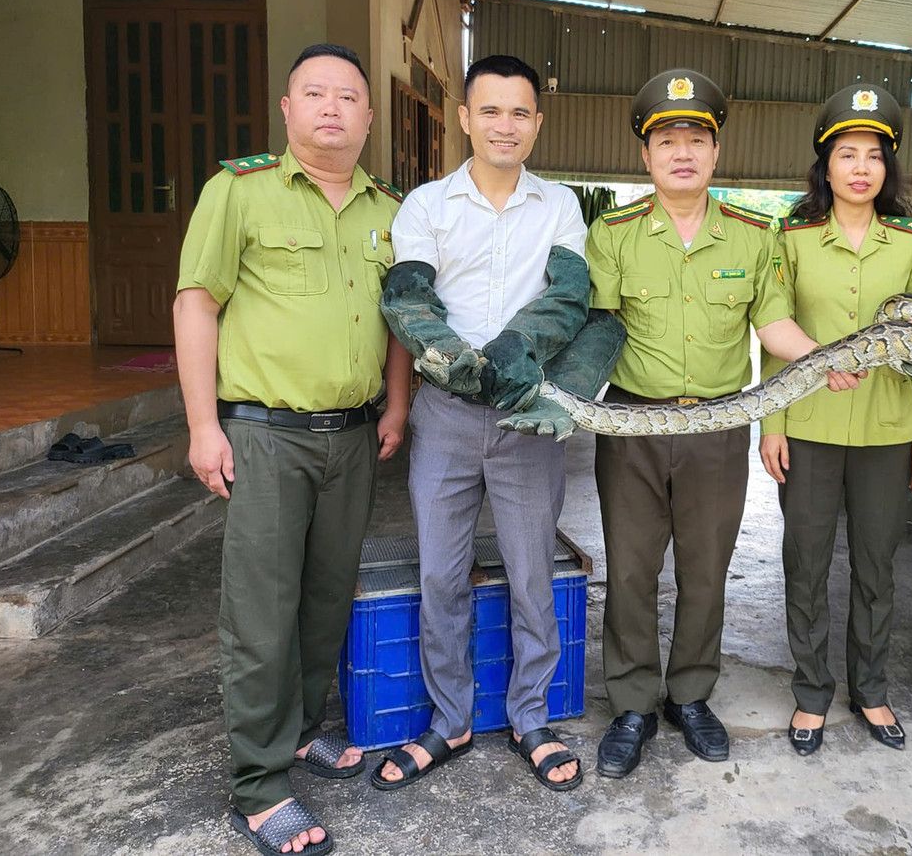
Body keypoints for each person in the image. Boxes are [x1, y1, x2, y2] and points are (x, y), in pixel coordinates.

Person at [586, 68, 860, 778]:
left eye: (697, 139)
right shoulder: (612, 234)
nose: (683, 151)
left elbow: (772, 324)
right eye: (667, 139)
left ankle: (691, 694)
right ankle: (634, 703)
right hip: (632, 425)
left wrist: (825, 358)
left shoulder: (751, 236)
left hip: (716, 425)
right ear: (645, 156)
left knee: (706, 571)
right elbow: (598, 331)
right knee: (632, 569)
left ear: (715, 153)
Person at [174, 43, 410, 856]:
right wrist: (203, 425)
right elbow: (196, 303)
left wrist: (398, 405)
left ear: (369, 117)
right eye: (316, 93)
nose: (333, 108)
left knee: (324, 600)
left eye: (349, 96)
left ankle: (304, 727)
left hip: (352, 434)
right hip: (264, 433)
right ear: (286, 108)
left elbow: (402, 320)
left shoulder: (390, 208)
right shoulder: (238, 192)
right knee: (260, 612)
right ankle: (259, 784)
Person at [372, 54, 588, 794]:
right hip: (446, 413)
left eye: (520, 111)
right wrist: (460, 366)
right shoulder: (425, 206)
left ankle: (530, 715)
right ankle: (451, 717)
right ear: (464, 117)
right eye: (490, 110)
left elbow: (567, 298)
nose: (505, 124)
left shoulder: (558, 205)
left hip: (528, 414)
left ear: (536, 122)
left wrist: (509, 357)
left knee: (532, 574)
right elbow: (407, 301)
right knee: (440, 572)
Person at [757, 83, 912, 757]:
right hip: (806, 425)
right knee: (805, 561)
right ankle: (811, 693)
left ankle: (871, 688)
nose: (860, 167)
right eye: (846, 153)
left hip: (890, 430)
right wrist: (770, 425)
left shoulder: (910, 244)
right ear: (825, 165)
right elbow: (771, 331)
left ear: (888, 168)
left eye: (873, 155)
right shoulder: (794, 240)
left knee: (877, 565)